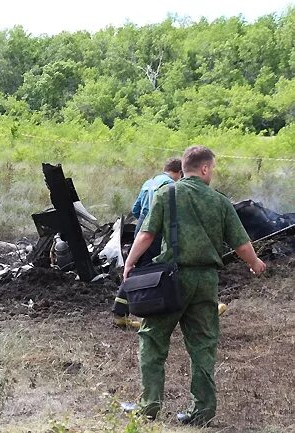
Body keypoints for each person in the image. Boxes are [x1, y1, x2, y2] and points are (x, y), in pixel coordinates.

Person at [122, 146, 266, 426]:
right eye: (212, 168)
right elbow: (241, 243)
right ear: (204, 169)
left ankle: (149, 404)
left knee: (152, 339)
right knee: (203, 345)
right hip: (206, 281)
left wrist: (130, 262)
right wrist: (255, 263)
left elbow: (147, 234)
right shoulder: (219, 201)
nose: (212, 173)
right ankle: (202, 412)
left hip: (171, 281)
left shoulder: (167, 194)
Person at [112, 158, 182, 328]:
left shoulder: (149, 183)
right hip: (155, 232)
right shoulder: (170, 186)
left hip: (141, 230)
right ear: (180, 173)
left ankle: (119, 313)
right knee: (169, 267)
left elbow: (136, 210)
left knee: (136, 270)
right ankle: (196, 307)